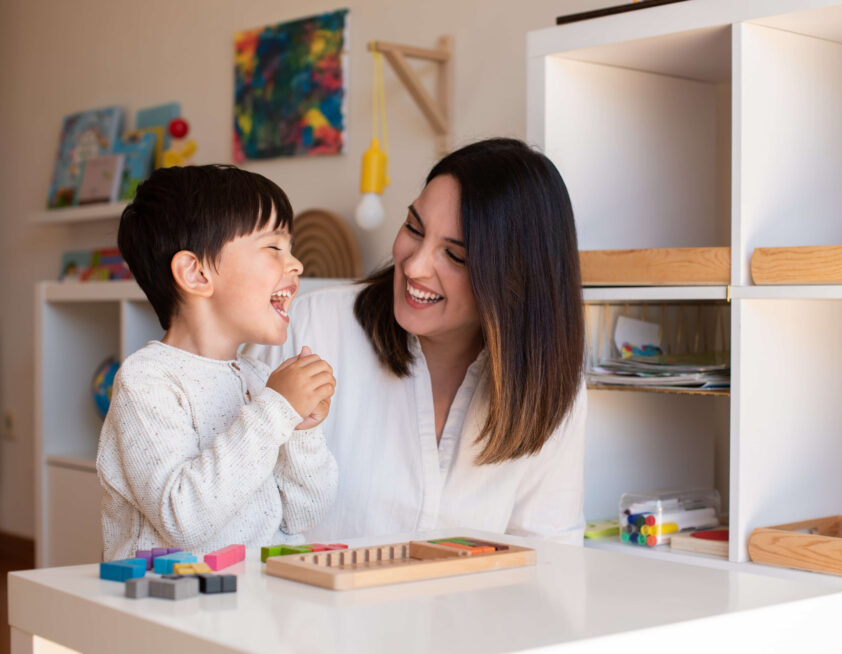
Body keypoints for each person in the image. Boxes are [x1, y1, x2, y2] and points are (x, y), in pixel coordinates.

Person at [250, 138, 586, 545]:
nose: (414, 265)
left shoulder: (548, 383)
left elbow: (547, 557)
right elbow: (233, 521)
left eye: (456, 256)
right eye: (414, 228)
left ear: (516, 280)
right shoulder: (309, 328)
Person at [97, 165, 338, 561]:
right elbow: (183, 518)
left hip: (254, 605)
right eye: (274, 248)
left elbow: (303, 514)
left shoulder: (260, 378)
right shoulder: (146, 381)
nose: (296, 264)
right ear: (196, 273)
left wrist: (302, 429)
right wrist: (277, 410)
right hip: (168, 609)